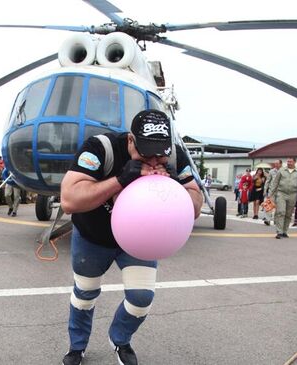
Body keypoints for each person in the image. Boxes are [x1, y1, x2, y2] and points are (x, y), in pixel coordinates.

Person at [59, 110, 202, 365]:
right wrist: (121, 179)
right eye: (146, 152)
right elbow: (69, 199)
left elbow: (196, 203)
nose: (154, 158)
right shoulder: (101, 147)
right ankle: (77, 347)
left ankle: (120, 339)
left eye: (161, 153)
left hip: (140, 242)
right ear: (130, 141)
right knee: (85, 293)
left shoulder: (174, 156)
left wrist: (173, 185)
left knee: (141, 299)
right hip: (94, 235)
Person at [267, 157, 297, 239]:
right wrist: (270, 195)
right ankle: (279, 231)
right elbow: (275, 183)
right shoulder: (281, 170)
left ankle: (285, 231)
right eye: (288, 161)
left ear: (295, 162)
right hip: (281, 193)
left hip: (293, 194)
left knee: (288, 214)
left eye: (290, 161)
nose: (288, 163)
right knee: (280, 212)